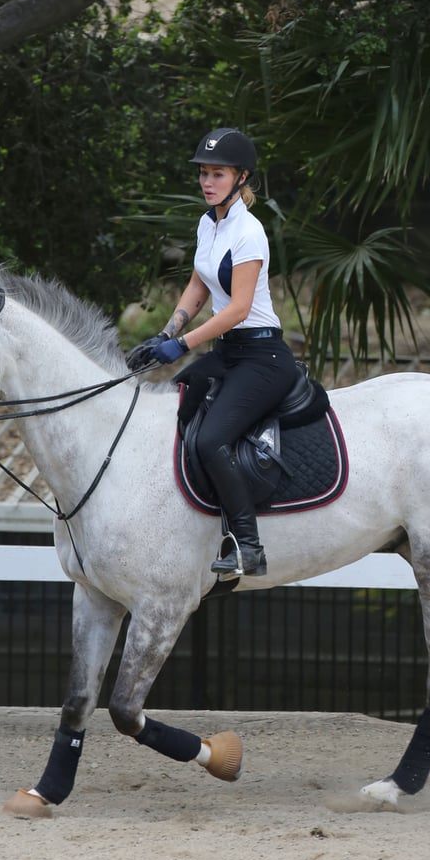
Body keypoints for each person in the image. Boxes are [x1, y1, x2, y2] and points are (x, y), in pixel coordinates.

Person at [127, 127, 297, 577]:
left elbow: (239, 308)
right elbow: (199, 284)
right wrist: (163, 332)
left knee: (210, 438)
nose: (207, 182)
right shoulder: (209, 223)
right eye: (203, 173)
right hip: (229, 351)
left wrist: (180, 345)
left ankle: (248, 546)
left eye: (217, 174)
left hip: (263, 357)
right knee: (178, 410)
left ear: (241, 177)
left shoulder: (250, 232)